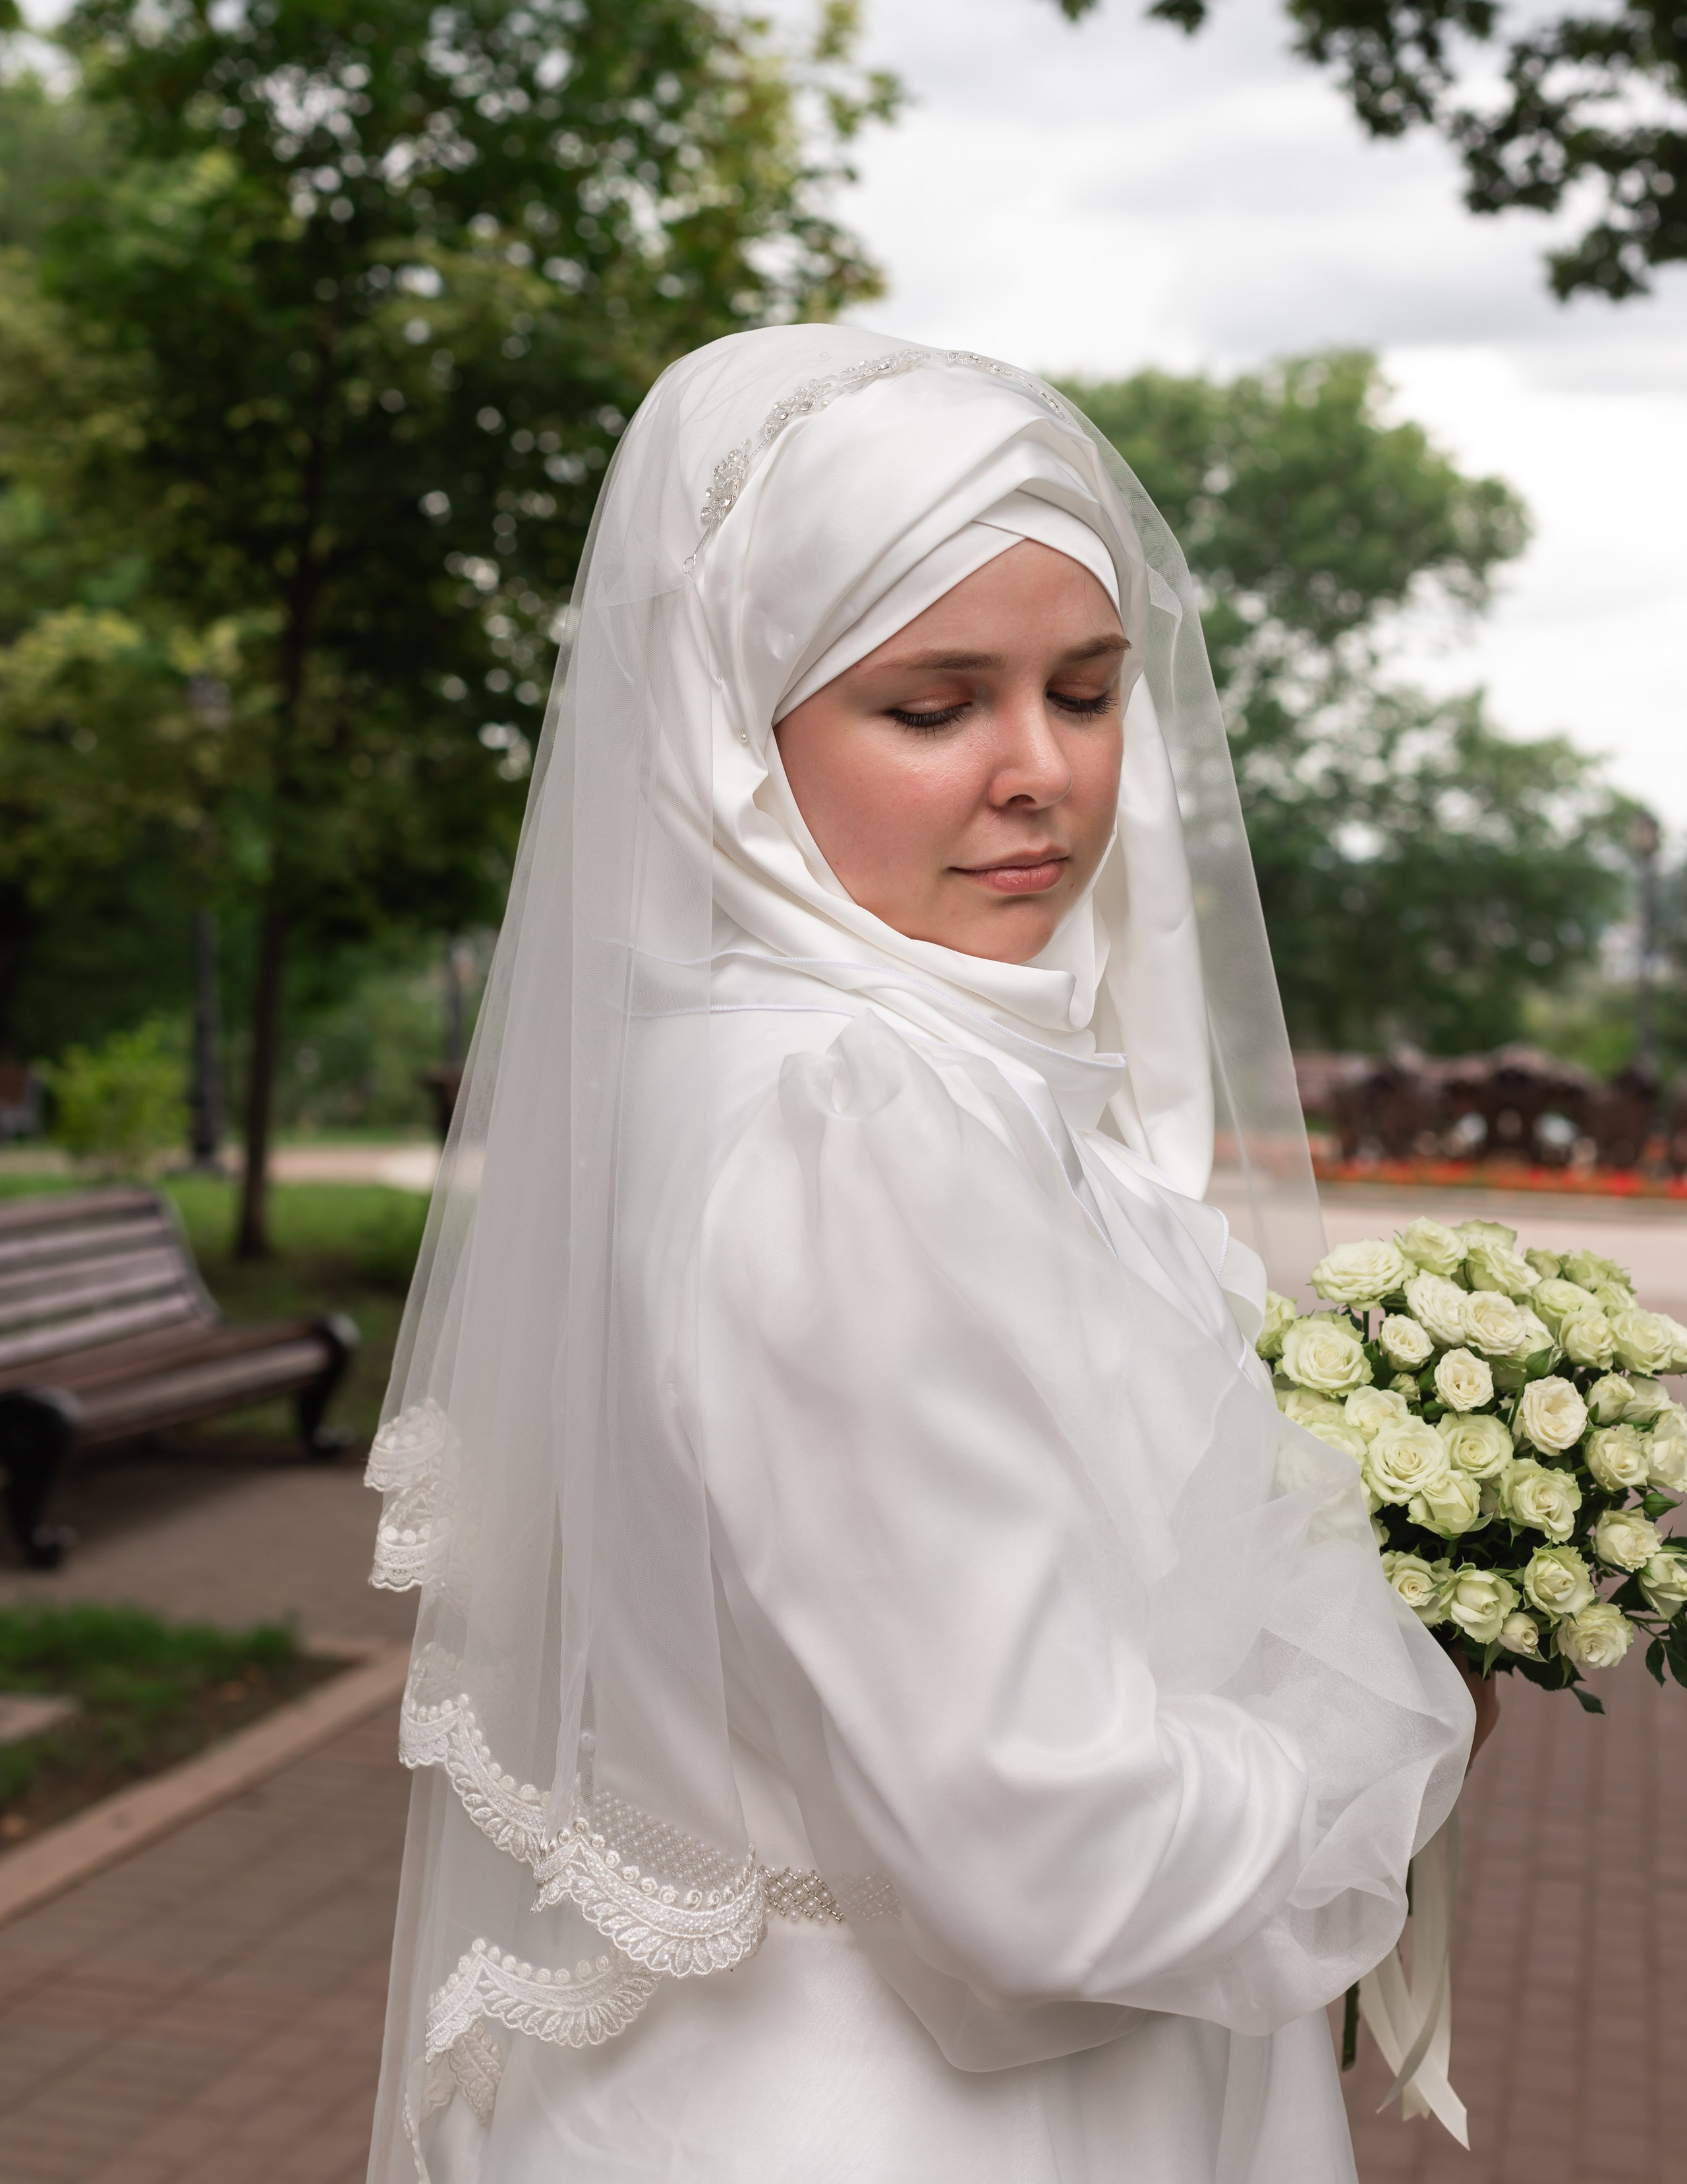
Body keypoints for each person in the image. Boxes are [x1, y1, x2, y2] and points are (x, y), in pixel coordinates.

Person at [365, 325, 1473, 2184]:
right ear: (741, 727)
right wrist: (1394, 1746)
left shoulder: (769, 1065)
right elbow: (1045, 1862)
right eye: (934, 704)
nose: (1040, 771)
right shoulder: (849, 1119)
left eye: (1090, 688)